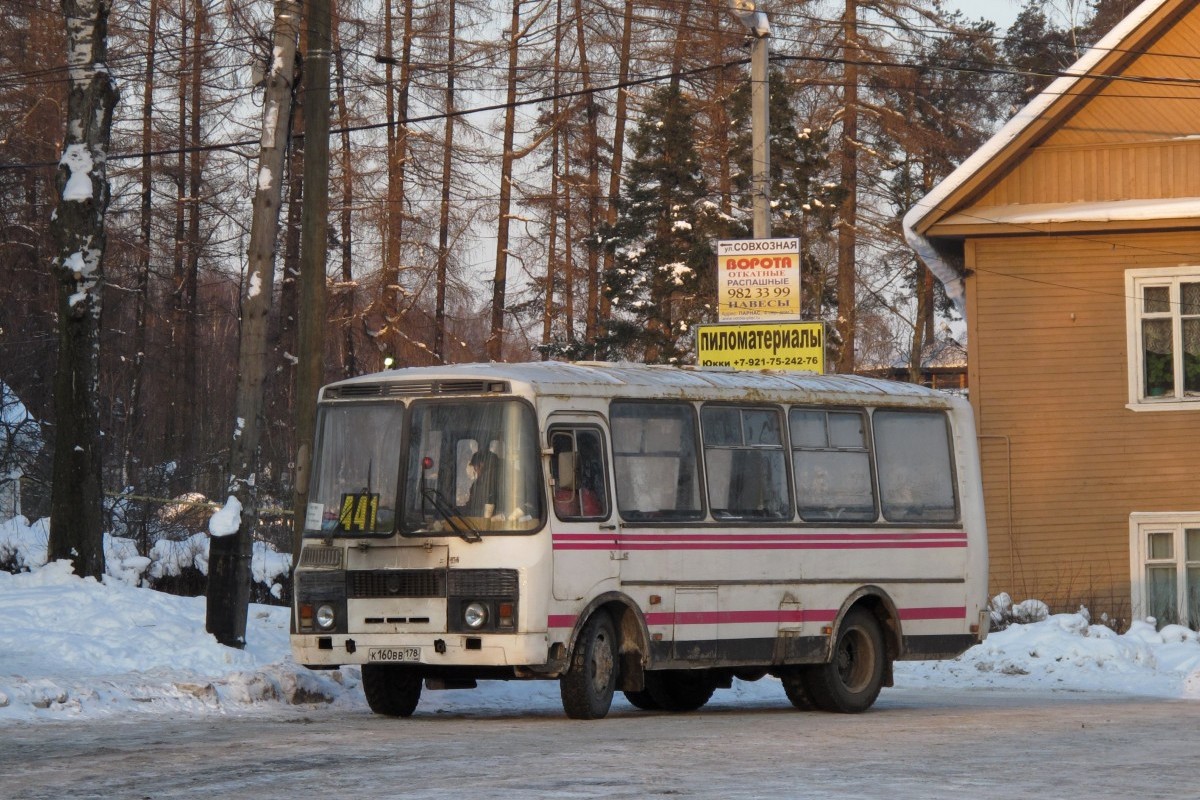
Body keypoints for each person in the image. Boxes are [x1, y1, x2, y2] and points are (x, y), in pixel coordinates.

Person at [464, 449, 499, 517]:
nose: (475, 470)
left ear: (481, 465)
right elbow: (471, 506)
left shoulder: (480, 485)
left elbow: (472, 507)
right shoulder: (477, 484)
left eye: (475, 466)